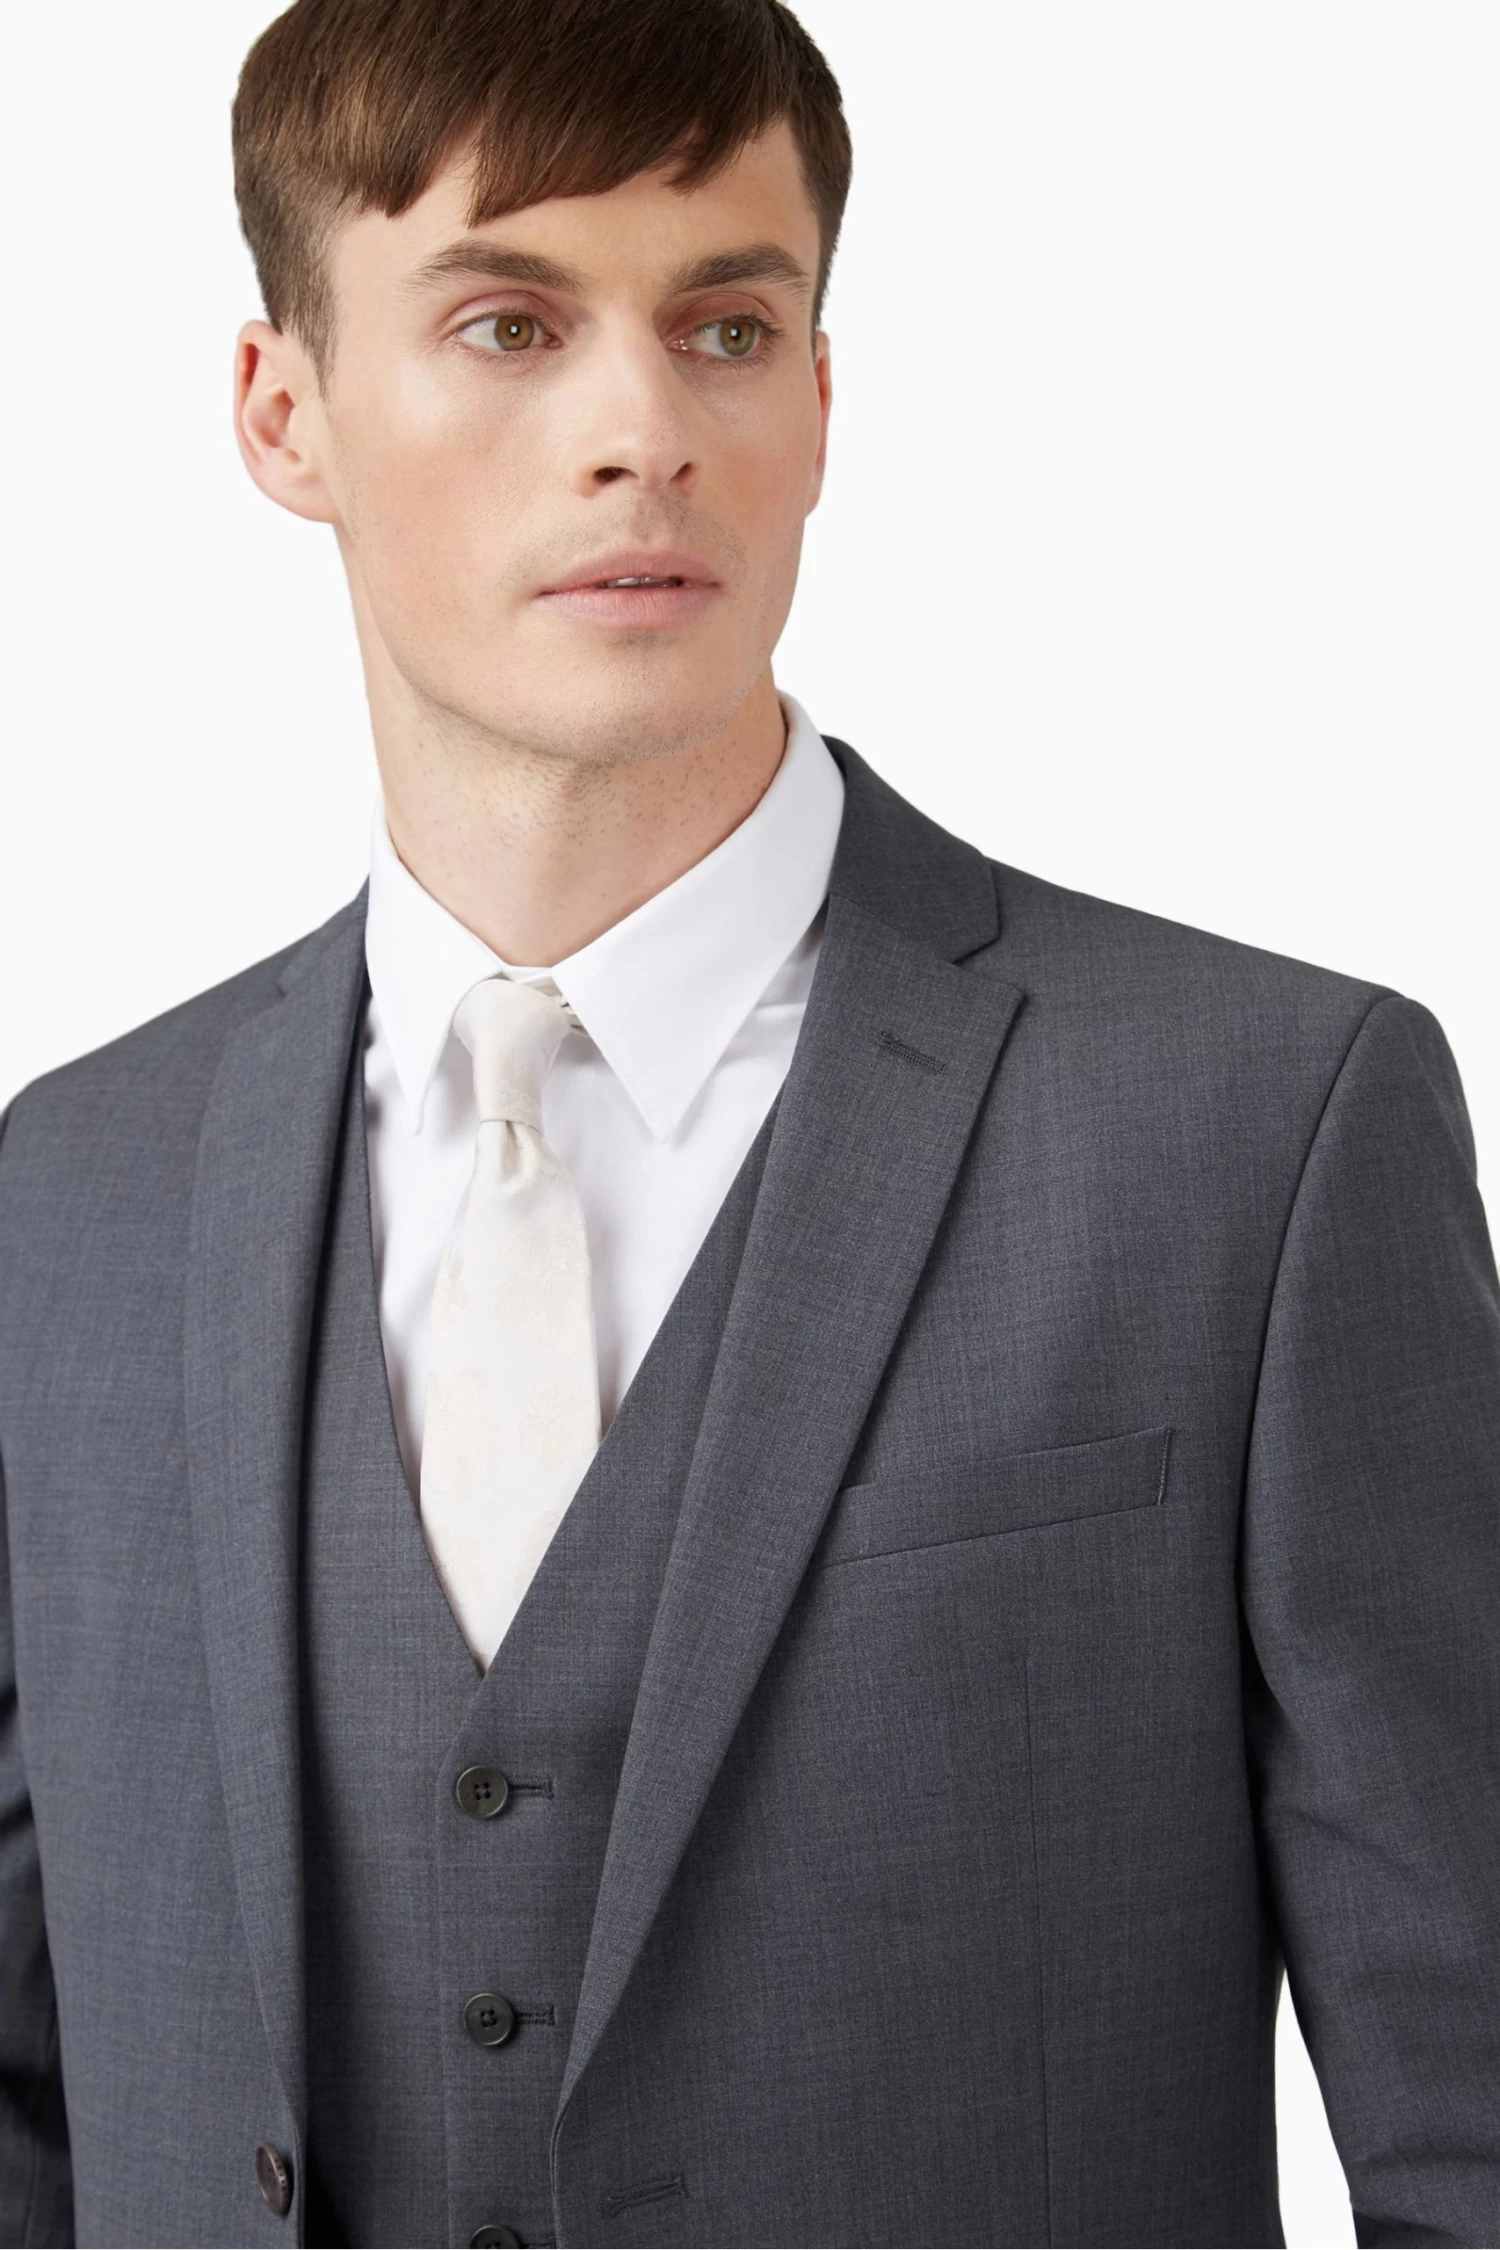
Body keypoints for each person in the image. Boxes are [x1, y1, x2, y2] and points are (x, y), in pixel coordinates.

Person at [1, 0, 1497, 2243]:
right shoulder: (65, 1197)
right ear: (282, 412)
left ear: (816, 400)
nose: (642, 433)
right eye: (509, 323)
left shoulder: (1259, 1132)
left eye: (725, 326)